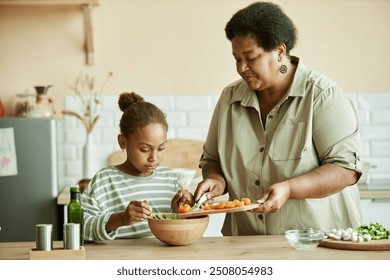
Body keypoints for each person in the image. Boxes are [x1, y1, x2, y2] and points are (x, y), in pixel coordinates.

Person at [194, 1, 363, 236]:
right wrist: (216, 180)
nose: (241, 68)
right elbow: (212, 159)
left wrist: (289, 189)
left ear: (280, 51)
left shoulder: (321, 94)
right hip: (245, 242)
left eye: (250, 58)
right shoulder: (230, 98)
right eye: (236, 58)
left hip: (317, 242)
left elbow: (345, 169)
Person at [81, 92, 194, 241]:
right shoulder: (105, 181)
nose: (154, 158)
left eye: (161, 148)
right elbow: (81, 227)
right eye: (145, 150)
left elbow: (176, 231)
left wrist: (179, 211)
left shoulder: (169, 179)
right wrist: (120, 219)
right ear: (123, 142)